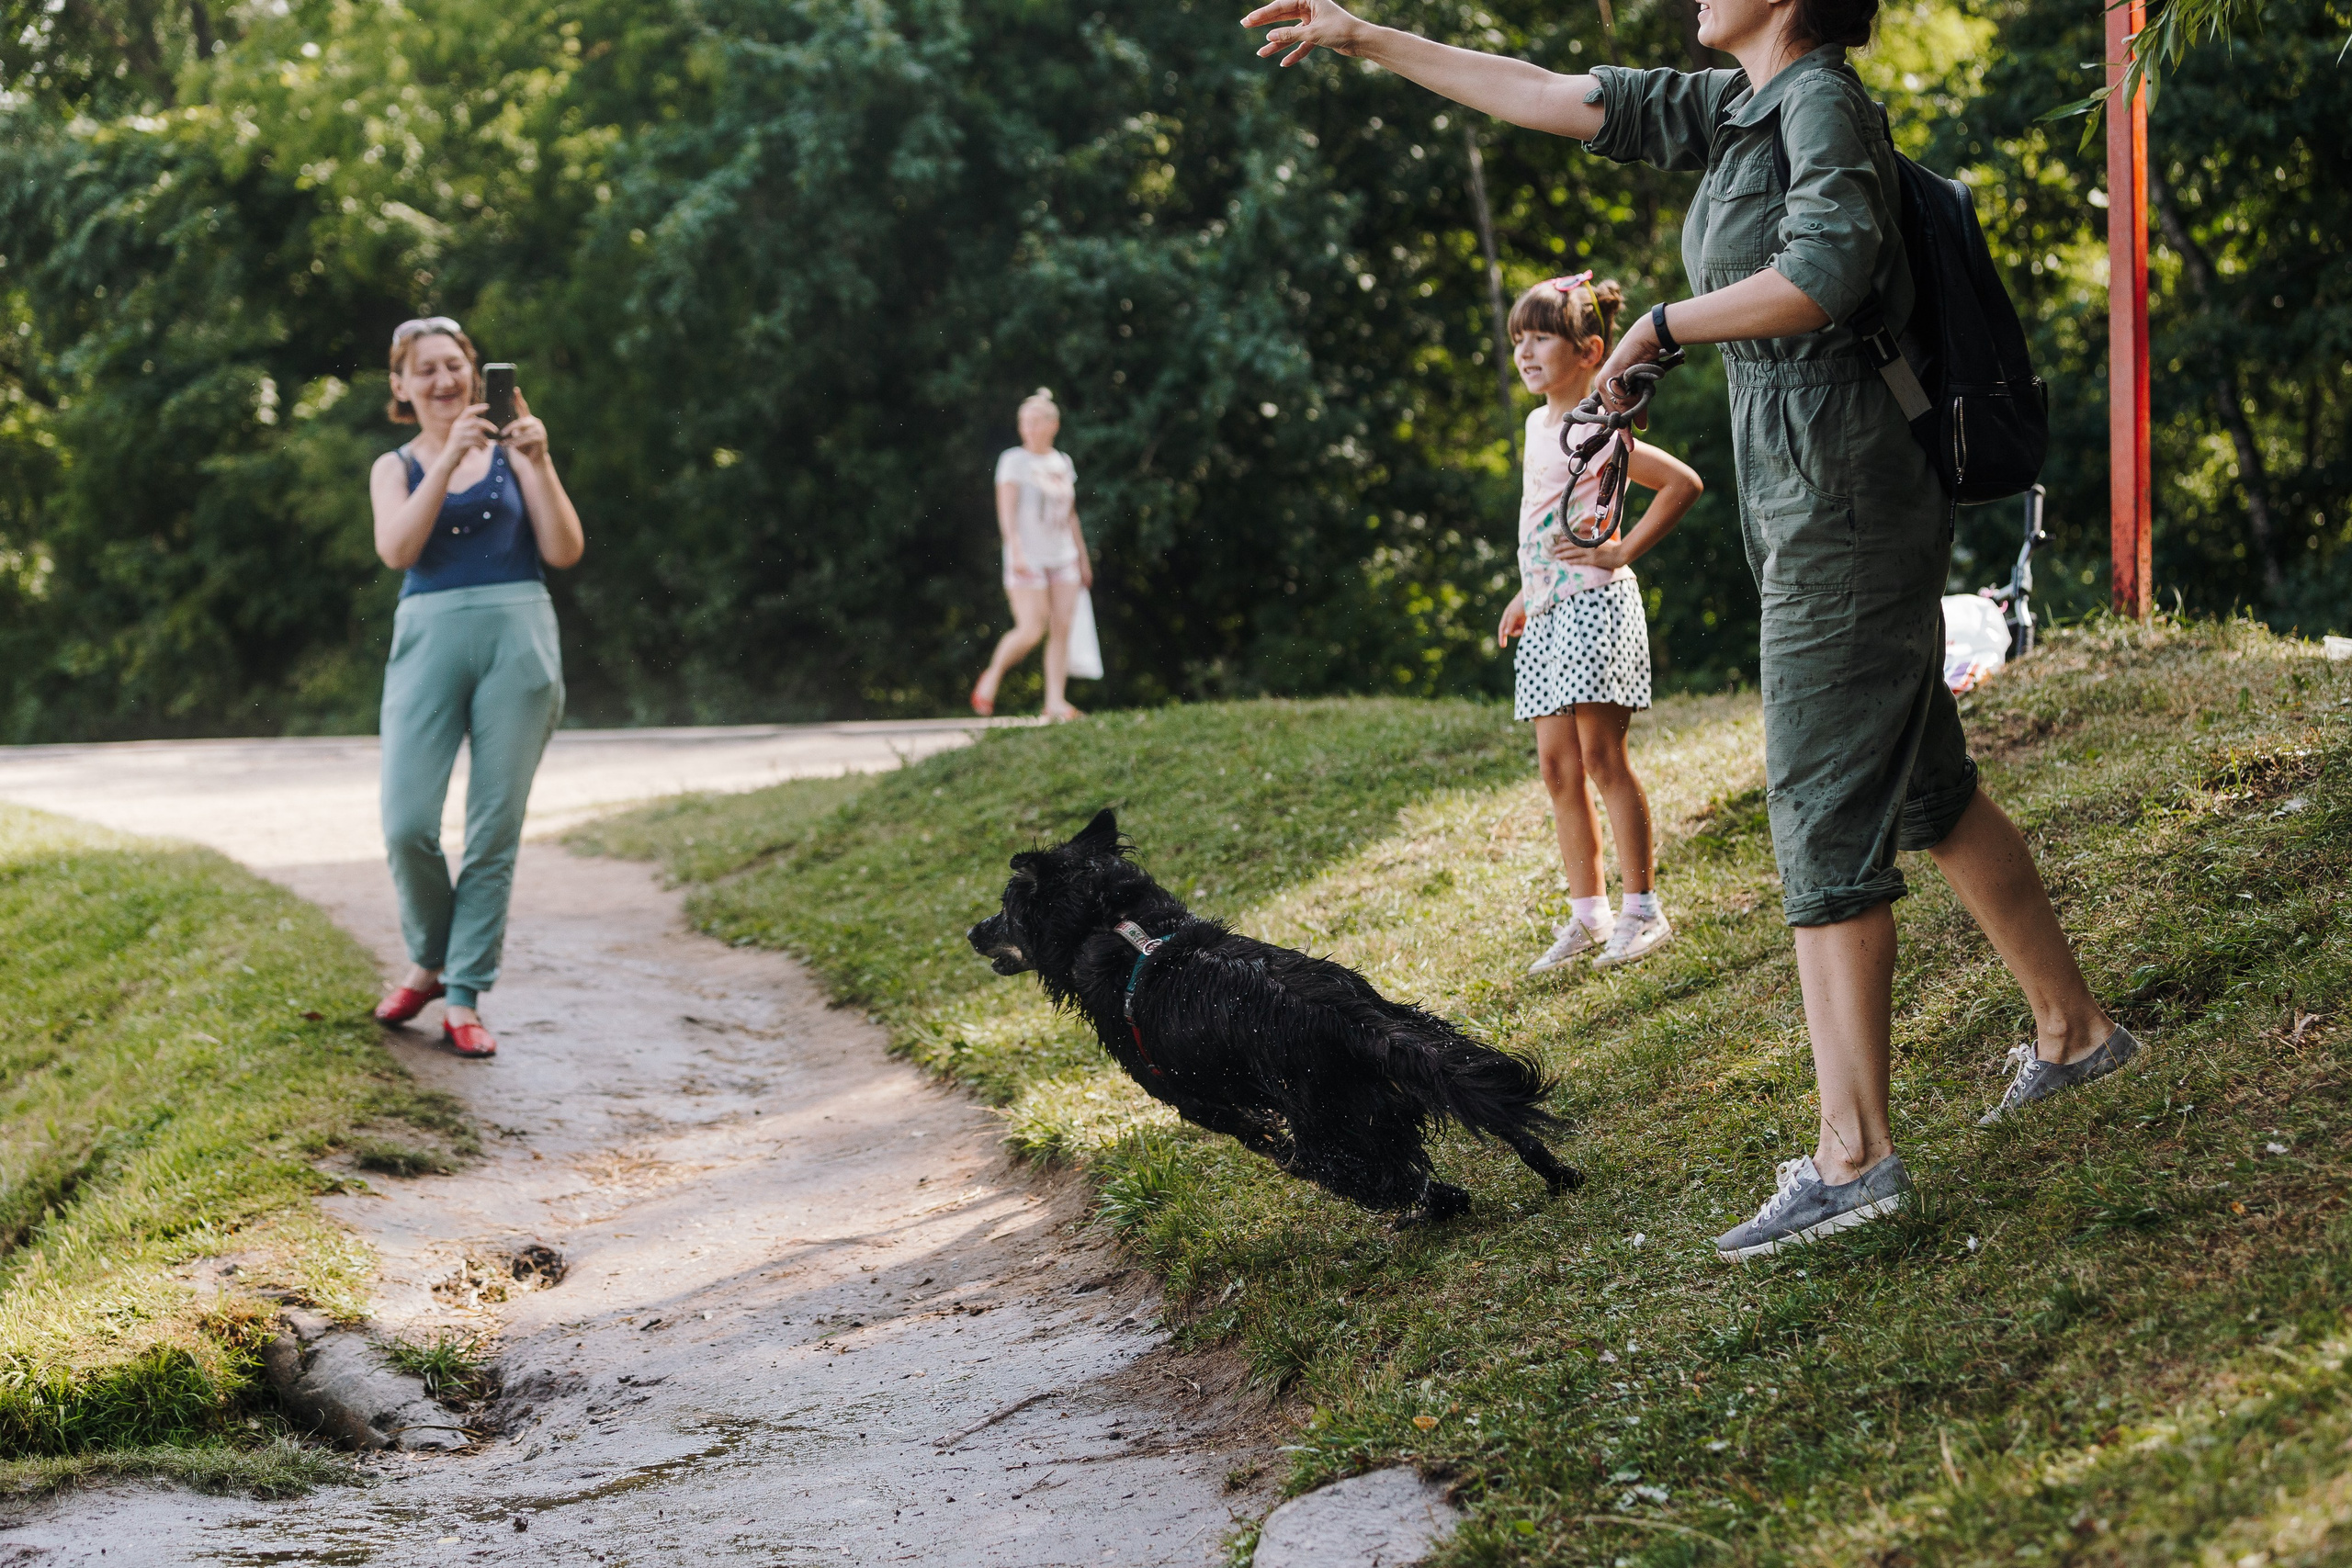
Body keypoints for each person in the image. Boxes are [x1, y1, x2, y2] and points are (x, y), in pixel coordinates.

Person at [1243, 0, 2135, 1259]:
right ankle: (2075, 1032)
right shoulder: (1735, 108)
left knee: (1818, 805)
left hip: (1849, 506)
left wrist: (1659, 327)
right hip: (1808, 500)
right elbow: (1547, 93)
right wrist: (1366, 38)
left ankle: (1854, 1157)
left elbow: (1824, 273)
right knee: (1924, 785)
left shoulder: (1819, 103)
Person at [365, 317, 584, 1058]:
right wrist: (450, 455)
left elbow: (564, 549)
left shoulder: (516, 453)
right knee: (407, 823)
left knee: (494, 829)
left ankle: (463, 992)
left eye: (454, 364)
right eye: (425, 369)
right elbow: (397, 548)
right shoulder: (394, 466)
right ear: (401, 386)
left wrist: (540, 462)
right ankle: (429, 960)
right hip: (427, 642)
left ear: (474, 372)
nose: (444, 380)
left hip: (518, 643)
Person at [1498, 273, 1703, 975]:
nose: (1525, 352)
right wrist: (1525, 591)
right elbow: (1543, 515)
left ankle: (1642, 908)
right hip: (1547, 610)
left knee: (1601, 758)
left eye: (1541, 338)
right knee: (1558, 768)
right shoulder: (1536, 425)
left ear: (1589, 352)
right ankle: (1590, 915)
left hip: (1594, 604)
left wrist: (1620, 550)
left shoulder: (1598, 425)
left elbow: (1681, 483)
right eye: (1519, 339)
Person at [971, 389, 1093, 722]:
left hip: (1063, 557)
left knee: (1062, 627)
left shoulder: (1062, 462)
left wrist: (1082, 557)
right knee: (1031, 630)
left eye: (1035, 421)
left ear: (1053, 425)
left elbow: (1070, 515)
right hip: (1028, 558)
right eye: (1024, 422)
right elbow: (1006, 513)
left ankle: (1055, 702)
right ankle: (993, 675)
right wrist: (1016, 552)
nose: (1028, 428)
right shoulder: (1013, 461)